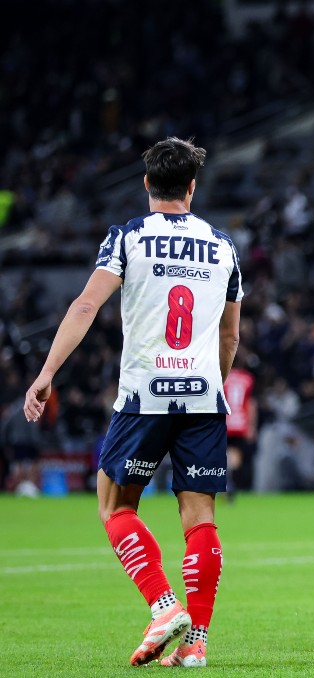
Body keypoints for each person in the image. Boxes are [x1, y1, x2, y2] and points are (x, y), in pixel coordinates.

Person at [23, 137, 241, 667]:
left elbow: (86, 304)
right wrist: (210, 385)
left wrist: (47, 372)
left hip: (145, 394)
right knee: (201, 518)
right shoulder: (223, 246)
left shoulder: (129, 238)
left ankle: (164, 606)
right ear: (193, 186)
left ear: (147, 184)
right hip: (203, 397)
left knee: (114, 506)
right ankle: (197, 644)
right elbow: (230, 338)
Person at [223, 354, 256, 501]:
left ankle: (224, 484)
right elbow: (251, 404)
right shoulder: (247, 379)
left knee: (222, 456)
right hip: (239, 423)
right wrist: (251, 426)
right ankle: (232, 486)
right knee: (235, 457)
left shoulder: (221, 377)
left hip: (223, 422)